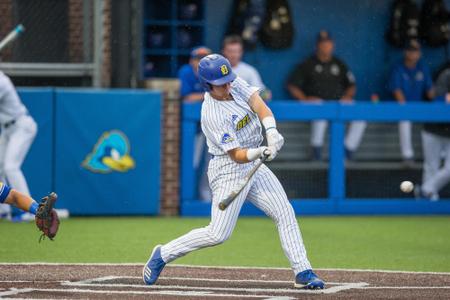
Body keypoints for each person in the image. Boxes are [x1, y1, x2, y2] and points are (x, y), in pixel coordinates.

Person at [143, 54, 325, 289]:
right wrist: (260, 152)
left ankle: (303, 271)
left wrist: (271, 132)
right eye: (221, 84)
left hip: (254, 163)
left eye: (228, 79)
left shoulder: (232, 82)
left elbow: (260, 105)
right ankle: (163, 254)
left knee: (284, 211)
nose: (228, 85)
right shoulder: (212, 114)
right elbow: (236, 155)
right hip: (229, 168)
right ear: (207, 86)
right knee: (218, 234)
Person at [286, 30, 366, 160]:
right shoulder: (308, 64)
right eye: (323, 44)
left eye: (328, 44)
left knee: (360, 114)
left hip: (338, 103)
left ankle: (347, 149)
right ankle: (316, 149)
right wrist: (305, 99)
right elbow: (292, 85)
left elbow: (351, 84)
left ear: (332, 45)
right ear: (317, 45)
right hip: (316, 104)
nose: (326, 46)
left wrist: (348, 97)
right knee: (321, 109)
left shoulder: (339, 63)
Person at [388, 40, 434, 167]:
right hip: (401, 107)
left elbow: (431, 92)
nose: (413, 53)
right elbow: (397, 91)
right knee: (405, 117)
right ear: (405, 52)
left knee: (436, 119)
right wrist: (409, 109)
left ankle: (438, 155)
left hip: (419, 107)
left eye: (416, 51)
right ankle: (407, 156)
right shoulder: (398, 67)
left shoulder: (422, 67)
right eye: (411, 50)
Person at [0, 70, 37, 220]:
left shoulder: (1, 81)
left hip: (22, 126)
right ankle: (3, 211)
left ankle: (29, 211)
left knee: (10, 167)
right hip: (7, 129)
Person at [178, 46, 213, 201]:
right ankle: (186, 199)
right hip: (194, 129)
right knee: (191, 162)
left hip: (213, 127)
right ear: (192, 60)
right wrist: (208, 94)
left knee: (212, 164)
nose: (201, 63)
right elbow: (186, 98)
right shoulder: (186, 72)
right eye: (198, 59)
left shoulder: (214, 72)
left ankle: (207, 199)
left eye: (205, 59)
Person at [415, 67, 450, 201]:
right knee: (431, 166)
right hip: (434, 129)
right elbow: (439, 98)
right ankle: (428, 200)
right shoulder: (447, 74)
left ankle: (425, 190)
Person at [222, 35, 272, 100]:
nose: (233, 55)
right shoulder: (216, 70)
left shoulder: (249, 71)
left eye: (236, 51)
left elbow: (263, 93)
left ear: (241, 52)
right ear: (223, 51)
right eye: (230, 51)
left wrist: (265, 94)